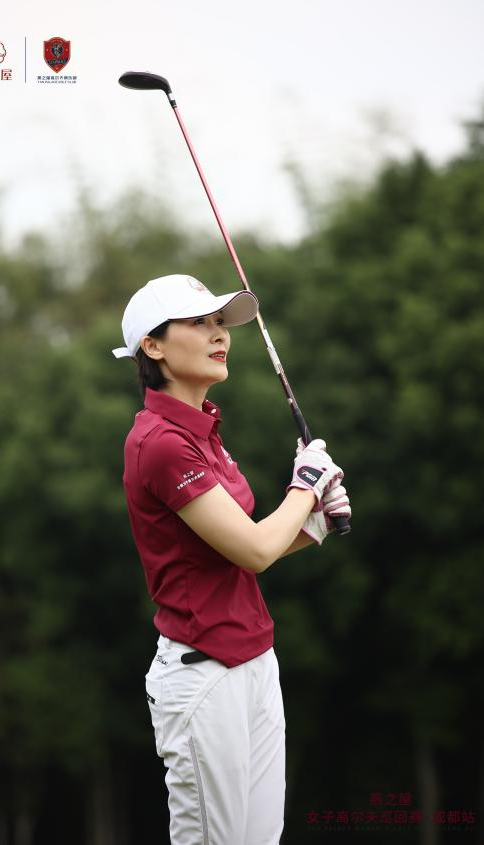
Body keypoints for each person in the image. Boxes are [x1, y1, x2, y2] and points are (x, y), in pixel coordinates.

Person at [112, 274, 351, 845]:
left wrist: (314, 525)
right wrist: (305, 486)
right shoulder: (161, 442)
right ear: (152, 345)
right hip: (203, 673)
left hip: (254, 660)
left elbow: (242, 550)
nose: (219, 334)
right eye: (199, 323)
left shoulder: (205, 434)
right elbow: (256, 550)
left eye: (220, 322)